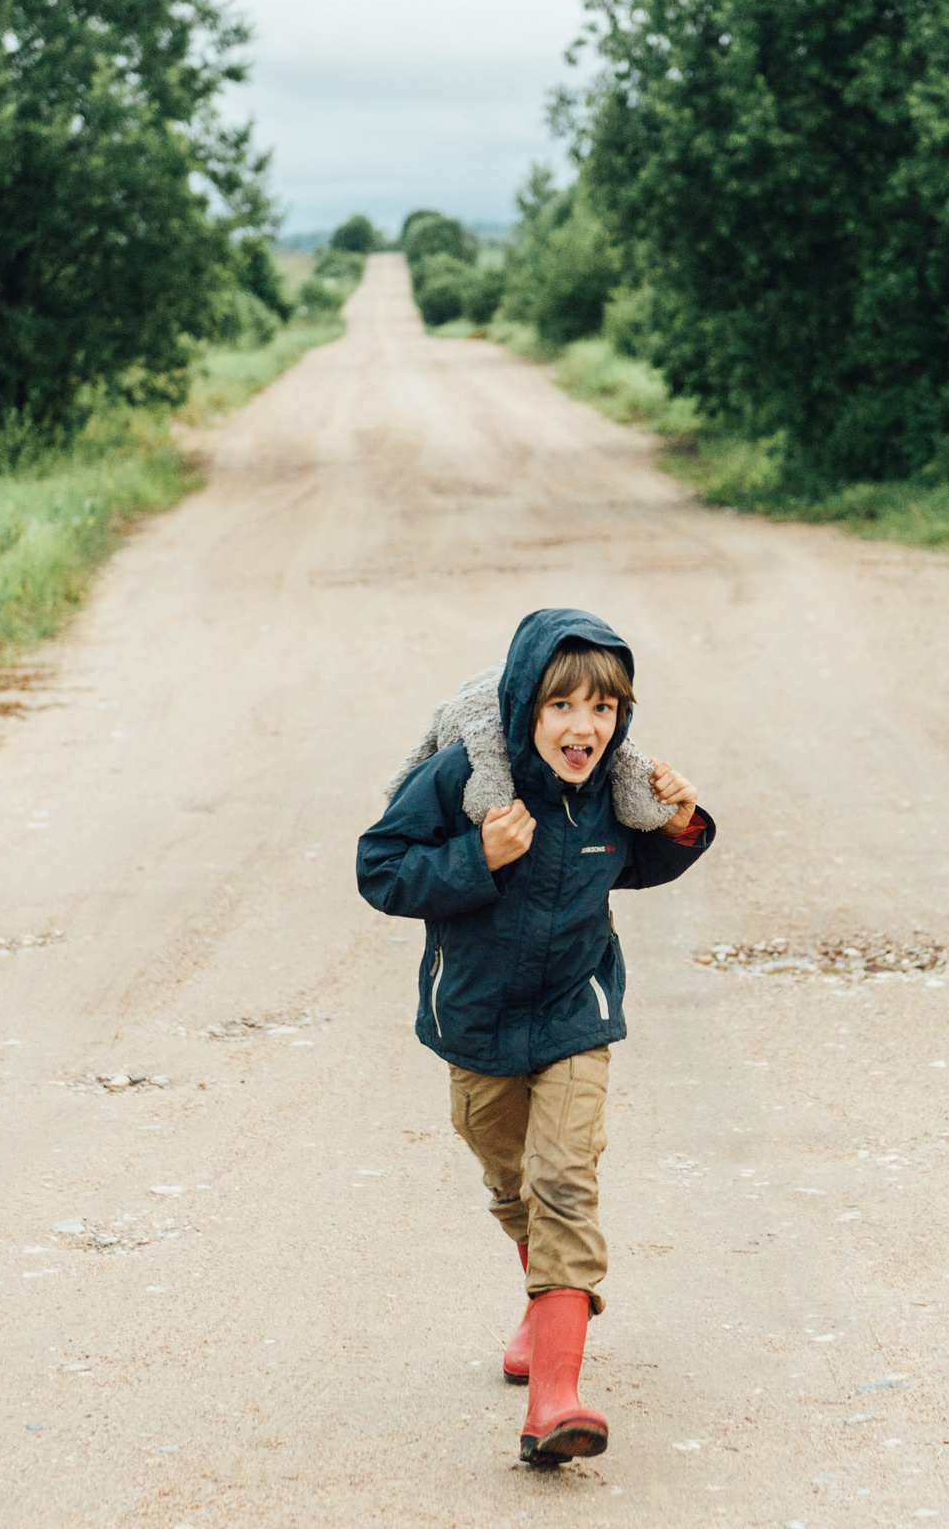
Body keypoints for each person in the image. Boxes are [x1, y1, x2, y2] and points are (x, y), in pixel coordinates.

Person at [357, 608, 715, 1467]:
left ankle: (557, 1399)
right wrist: (477, 856)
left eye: (603, 709)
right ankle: (537, 1300)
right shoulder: (460, 779)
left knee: (563, 1182)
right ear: (526, 709)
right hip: (474, 1018)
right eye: (563, 708)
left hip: (573, 1009)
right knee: (508, 1171)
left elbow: (636, 861)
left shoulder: (614, 788)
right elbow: (380, 867)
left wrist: (681, 826)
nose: (583, 728)